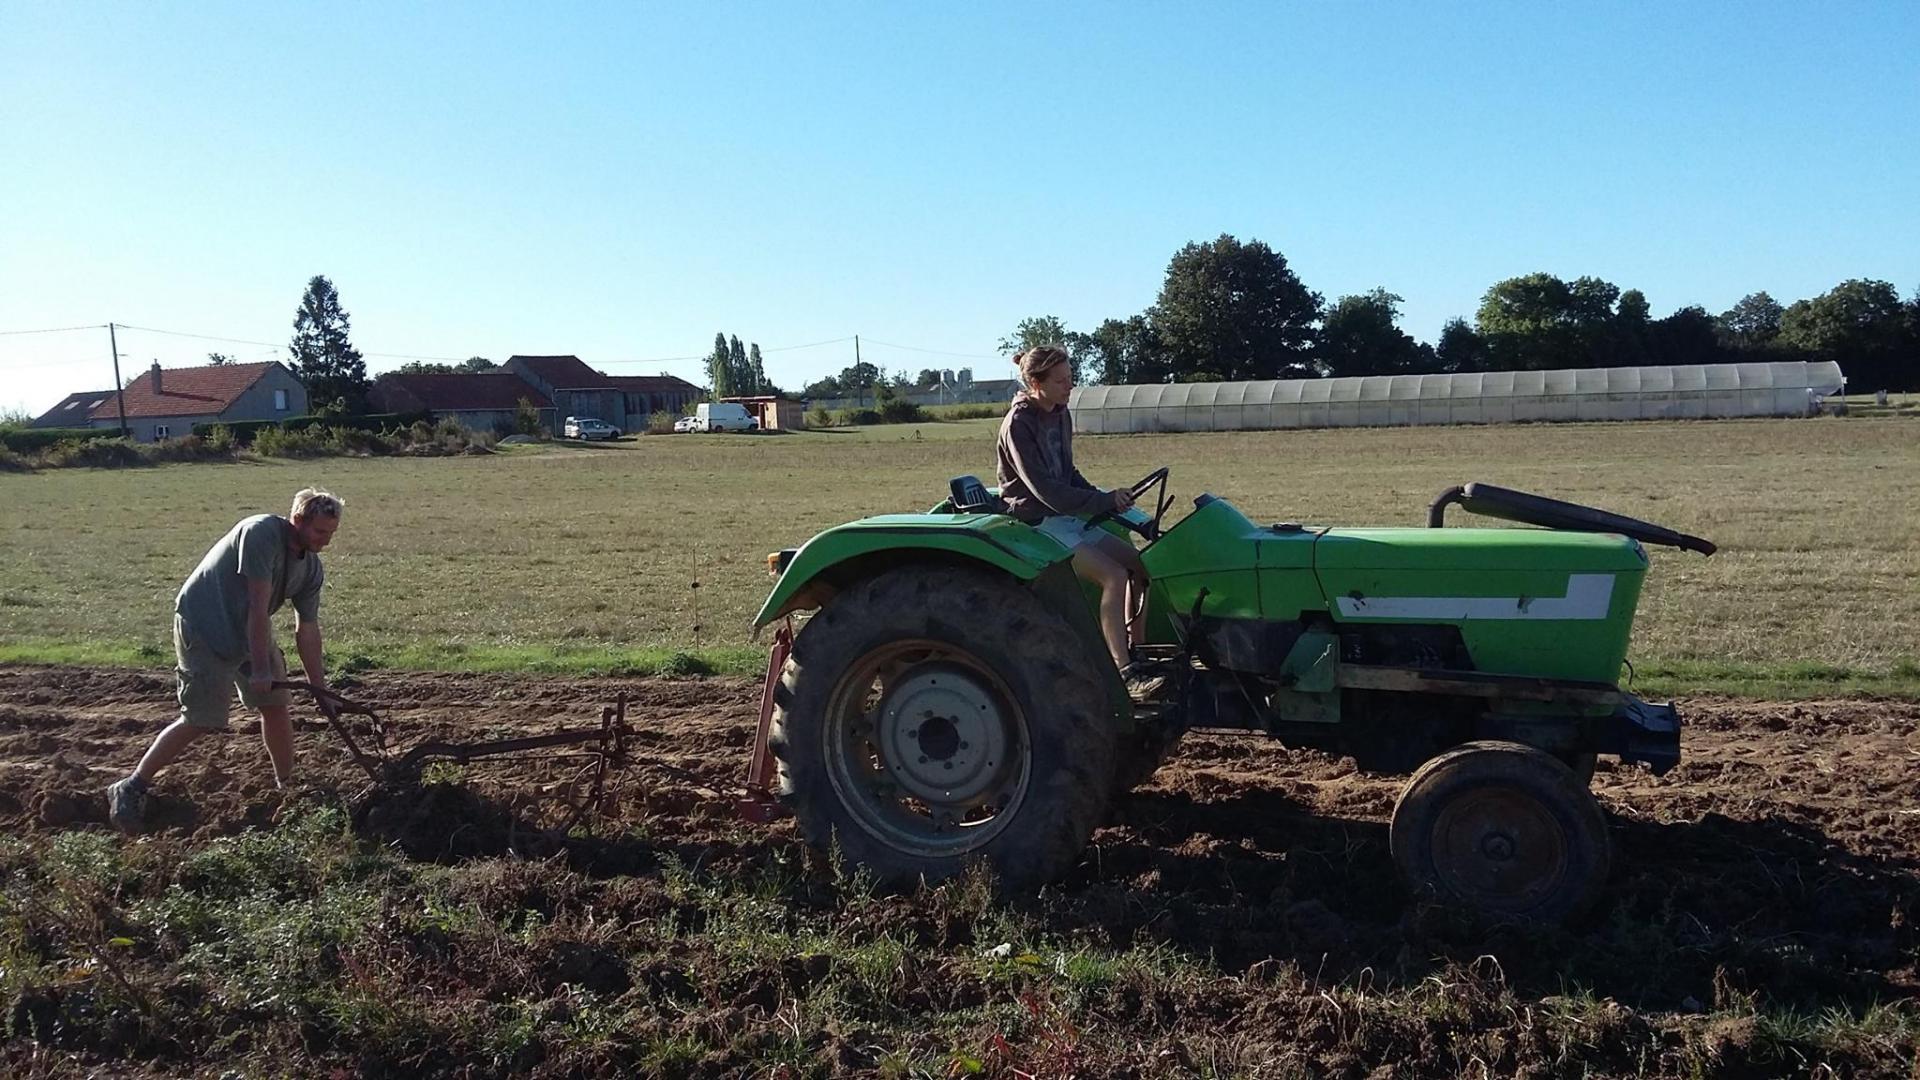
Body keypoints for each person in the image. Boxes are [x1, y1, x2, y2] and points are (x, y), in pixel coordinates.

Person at [105, 487, 345, 832]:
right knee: (202, 718)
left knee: (276, 705)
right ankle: (131, 785)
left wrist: (321, 690)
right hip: (205, 626)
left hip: (250, 630)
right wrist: (261, 668)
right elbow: (257, 606)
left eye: (331, 533)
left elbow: (307, 629)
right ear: (297, 521)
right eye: (320, 532)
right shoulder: (261, 533)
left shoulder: (310, 569)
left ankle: (287, 789)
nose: (326, 541)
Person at [996, 345, 1151, 678]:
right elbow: (1045, 491)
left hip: (1065, 516)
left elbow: (1068, 473)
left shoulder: (1060, 413)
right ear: (1036, 383)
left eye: (1070, 379)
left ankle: (1139, 652)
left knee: (1141, 568)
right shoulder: (1018, 424)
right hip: (1037, 521)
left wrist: (1105, 498)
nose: (1069, 387)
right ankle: (1123, 669)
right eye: (1061, 381)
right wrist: (1101, 502)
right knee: (1114, 576)